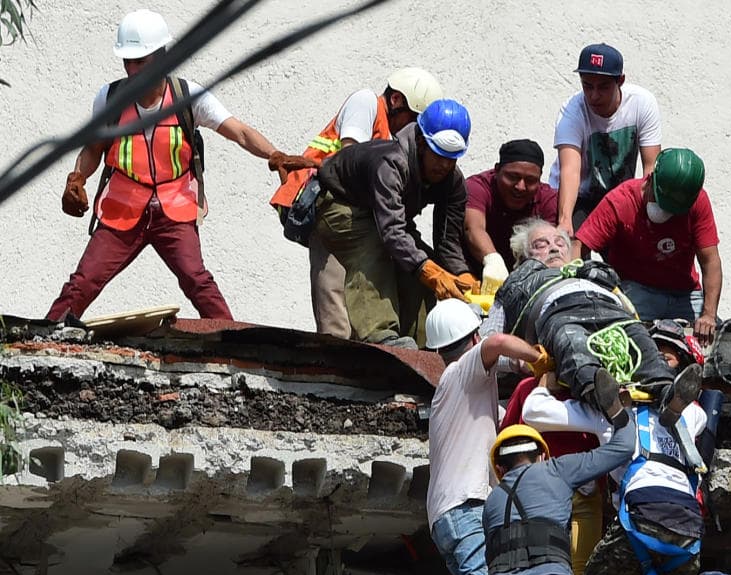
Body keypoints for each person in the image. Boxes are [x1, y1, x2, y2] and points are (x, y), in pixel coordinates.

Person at [48, 9, 306, 322]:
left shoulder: (188, 97)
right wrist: (77, 178)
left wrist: (274, 155)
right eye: (127, 61)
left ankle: (230, 343)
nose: (131, 69)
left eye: (139, 61)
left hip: (175, 205)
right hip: (122, 205)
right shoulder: (109, 98)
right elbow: (94, 149)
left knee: (196, 280)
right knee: (84, 282)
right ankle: (44, 337)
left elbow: (238, 131)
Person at [519, 331, 706, 575]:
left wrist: (547, 379)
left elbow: (534, 412)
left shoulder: (602, 415)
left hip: (639, 522)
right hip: (689, 538)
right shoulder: (693, 416)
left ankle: (622, 419)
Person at [269, 68, 443, 337]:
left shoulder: (395, 137)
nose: (415, 128)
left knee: (361, 289)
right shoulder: (366, 102)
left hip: (354, 212)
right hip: (328, 204)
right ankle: (334, 364)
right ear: (396, 100)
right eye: (415, 118)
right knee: (335, 294)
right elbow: (351, 156)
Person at [483, 218, 680, 430]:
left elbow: (631, 311)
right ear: (525, 257)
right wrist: (522, 360)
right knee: (572, 340)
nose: (553, 249)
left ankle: (668, 393)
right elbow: (485, 344)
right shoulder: (514, 284)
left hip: (612, 310)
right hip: (560, 314)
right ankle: (601, 395)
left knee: (639, 337)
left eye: (560, 243)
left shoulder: (595, 273)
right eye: (541, 245)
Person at [313, 98, 476, 348]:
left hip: (382, 213)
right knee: (373, 247)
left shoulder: (453, 183)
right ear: (421, 141)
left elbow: (447, 241)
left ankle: (422, 343)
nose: (444, 165)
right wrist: (429, 271)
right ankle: (380, 335)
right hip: (338, 204)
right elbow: (391, 232)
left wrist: (462, 277)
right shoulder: (391, 162)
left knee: (421, 262)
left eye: (452, 158)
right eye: (439, 154)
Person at [424, 299, 542, 575]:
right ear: (473, 337)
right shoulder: (462, 371)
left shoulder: (460, 393)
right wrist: (540, 358)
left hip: (447, 514)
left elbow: (508, 417)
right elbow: (498, 343)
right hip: (465, 505)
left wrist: (523, 370)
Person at [482, 413, 637, 575]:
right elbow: (624, 447)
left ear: (500, 468)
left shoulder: (491, 502)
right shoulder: (556, 469)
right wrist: (621, 412)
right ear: (542, 455)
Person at [574, 147, 722, 344]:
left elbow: (710, 262)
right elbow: (579, 247)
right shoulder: (620, 201)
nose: (666, 212)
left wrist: (709, 315)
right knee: (628, 339)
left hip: (685, 293)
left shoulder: (698, 202)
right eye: (662, 203)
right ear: (651, 178)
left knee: (717, 342)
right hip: (637, 289)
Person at [549, 43, 662, 234]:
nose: (594, 95)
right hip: (577, 197)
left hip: (618, 195)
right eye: (587, 85)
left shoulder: (642, 103)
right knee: (573, 247)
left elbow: (650, 166)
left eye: (603, 87)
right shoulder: (572, 111)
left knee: (629, 252)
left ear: (621, 81)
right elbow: (570, 170)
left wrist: (647, 212)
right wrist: (564, 220)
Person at [463, 139, 558, 293]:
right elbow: (473, 228)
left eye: (531, 180)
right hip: (474, 281)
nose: (520, 187)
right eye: (513, 177)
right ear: (497, 170)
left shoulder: (549, 200)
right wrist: (492, 260)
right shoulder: (477, 187)